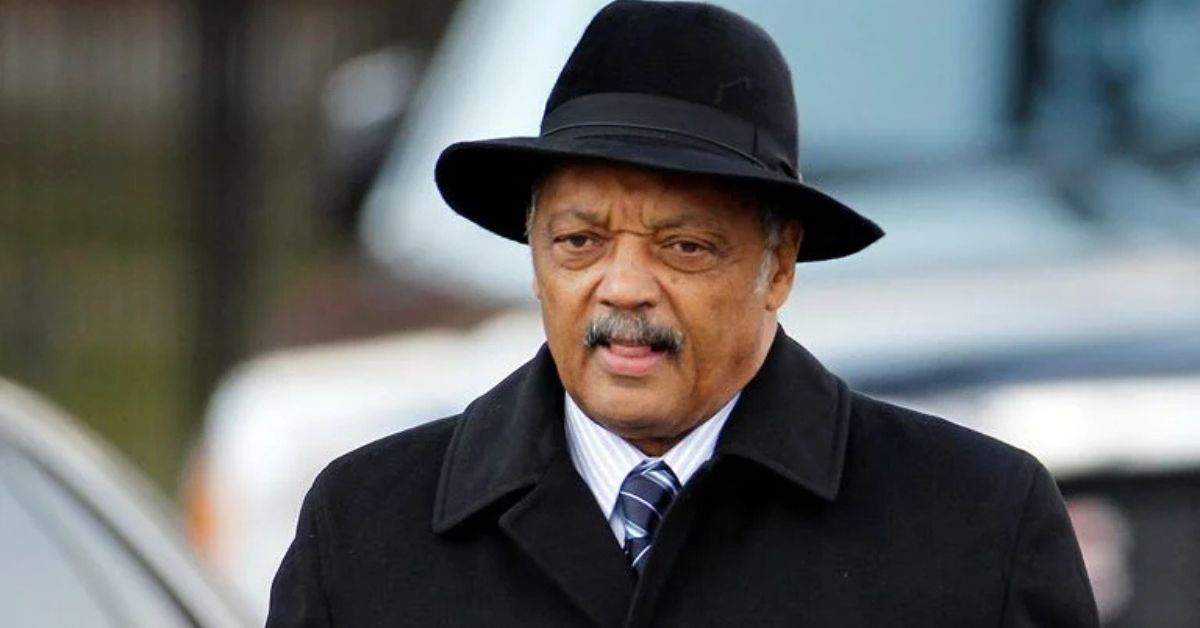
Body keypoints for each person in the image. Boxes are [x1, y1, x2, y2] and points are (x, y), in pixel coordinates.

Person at [266, 2, 1100, 626]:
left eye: (684, 247)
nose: (624, 288)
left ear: (778, 267)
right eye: (581, 242)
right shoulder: (367, 525)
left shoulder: (976, 525)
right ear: (534, 252)